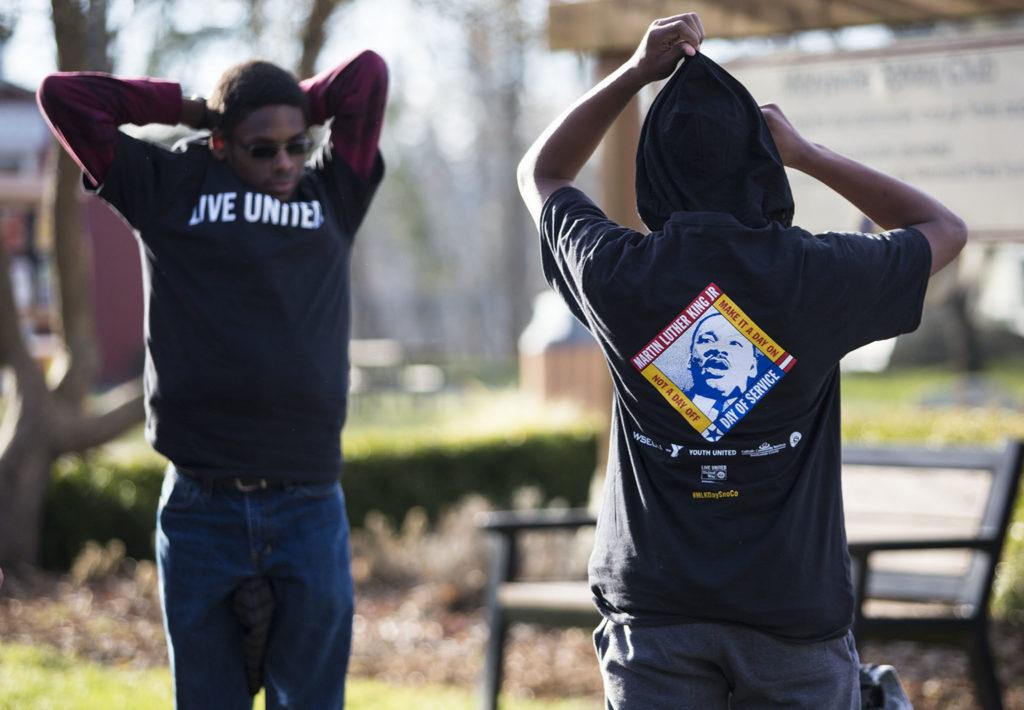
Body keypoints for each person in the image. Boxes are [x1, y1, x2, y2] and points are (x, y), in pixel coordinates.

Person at [517, 12, 965, 710]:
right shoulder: (816, 275)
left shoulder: (616, 273)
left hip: (654, 613)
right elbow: (942, 229)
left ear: (651, 167)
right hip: (792, 614)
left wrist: (635, 74)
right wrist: (807, 152)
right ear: (761, 164)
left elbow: (541, 171)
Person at [37, 50, 387, 709]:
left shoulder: (334, 191)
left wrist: (288, 100)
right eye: (263, 149)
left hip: (309, 500)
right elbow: (66, 98)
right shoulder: (168, 185)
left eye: (297, 145)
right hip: (202, 505)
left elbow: (366, 74)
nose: (285, 163)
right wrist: (190, 109)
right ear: (221, 145)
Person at [659, 311, 761, 422]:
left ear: (752, 367)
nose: (719, 349)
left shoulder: (765, 414)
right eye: (707, 340)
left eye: (734, 343)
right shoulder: (663, 406)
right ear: (689, 360)